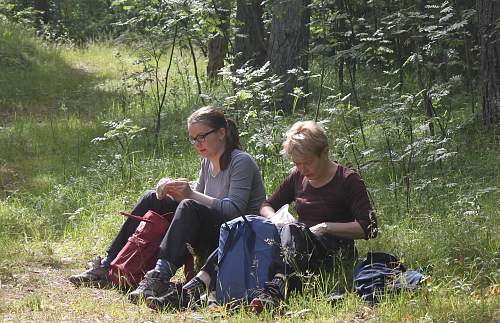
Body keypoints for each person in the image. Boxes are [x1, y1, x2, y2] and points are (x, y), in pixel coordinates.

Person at [146, 120, 378, 312]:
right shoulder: (298, 176)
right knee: (244, 227)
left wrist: (327, 226)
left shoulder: (348, 180)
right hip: (294, 238)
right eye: (297, 164)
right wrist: (275, 220)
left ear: (325, 152)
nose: (302, 169)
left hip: (330, 247)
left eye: (307, 162)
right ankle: (195, 287)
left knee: (293, 230)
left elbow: (369, 228)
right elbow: (266, 205)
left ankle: (276, 289)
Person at [69, 106, 266, 303]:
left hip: (234, 239)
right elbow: (201, 200)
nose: (197, 143)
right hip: (210, 228)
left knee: (188, 205)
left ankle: (160, 276)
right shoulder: (208, 161)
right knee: (153, 198)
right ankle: (108, 264)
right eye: (193, 138)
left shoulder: (241, 161)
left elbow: (234, 211)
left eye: (202, 137)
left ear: (221, 133)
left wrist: (189, 194)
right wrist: (172, 190)